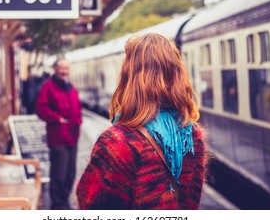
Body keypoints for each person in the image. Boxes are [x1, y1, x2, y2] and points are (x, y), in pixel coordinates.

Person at [76, 33, 207, 210]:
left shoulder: (117, 143)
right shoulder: (192, 136)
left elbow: (90, 204)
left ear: (129, 77)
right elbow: (191, 202)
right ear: (177, 75)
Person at [36, 58, 82, 210]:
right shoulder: (48, 87)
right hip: (58, 137)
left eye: (66, 68)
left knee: (70, 173)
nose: (64, 71)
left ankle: (65, 201)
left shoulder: (71, 87)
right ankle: (57, 205)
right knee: (59, 175)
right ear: (55, 69)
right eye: (61, 68)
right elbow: (41, 108)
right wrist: (57, 118)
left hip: (72, 137)